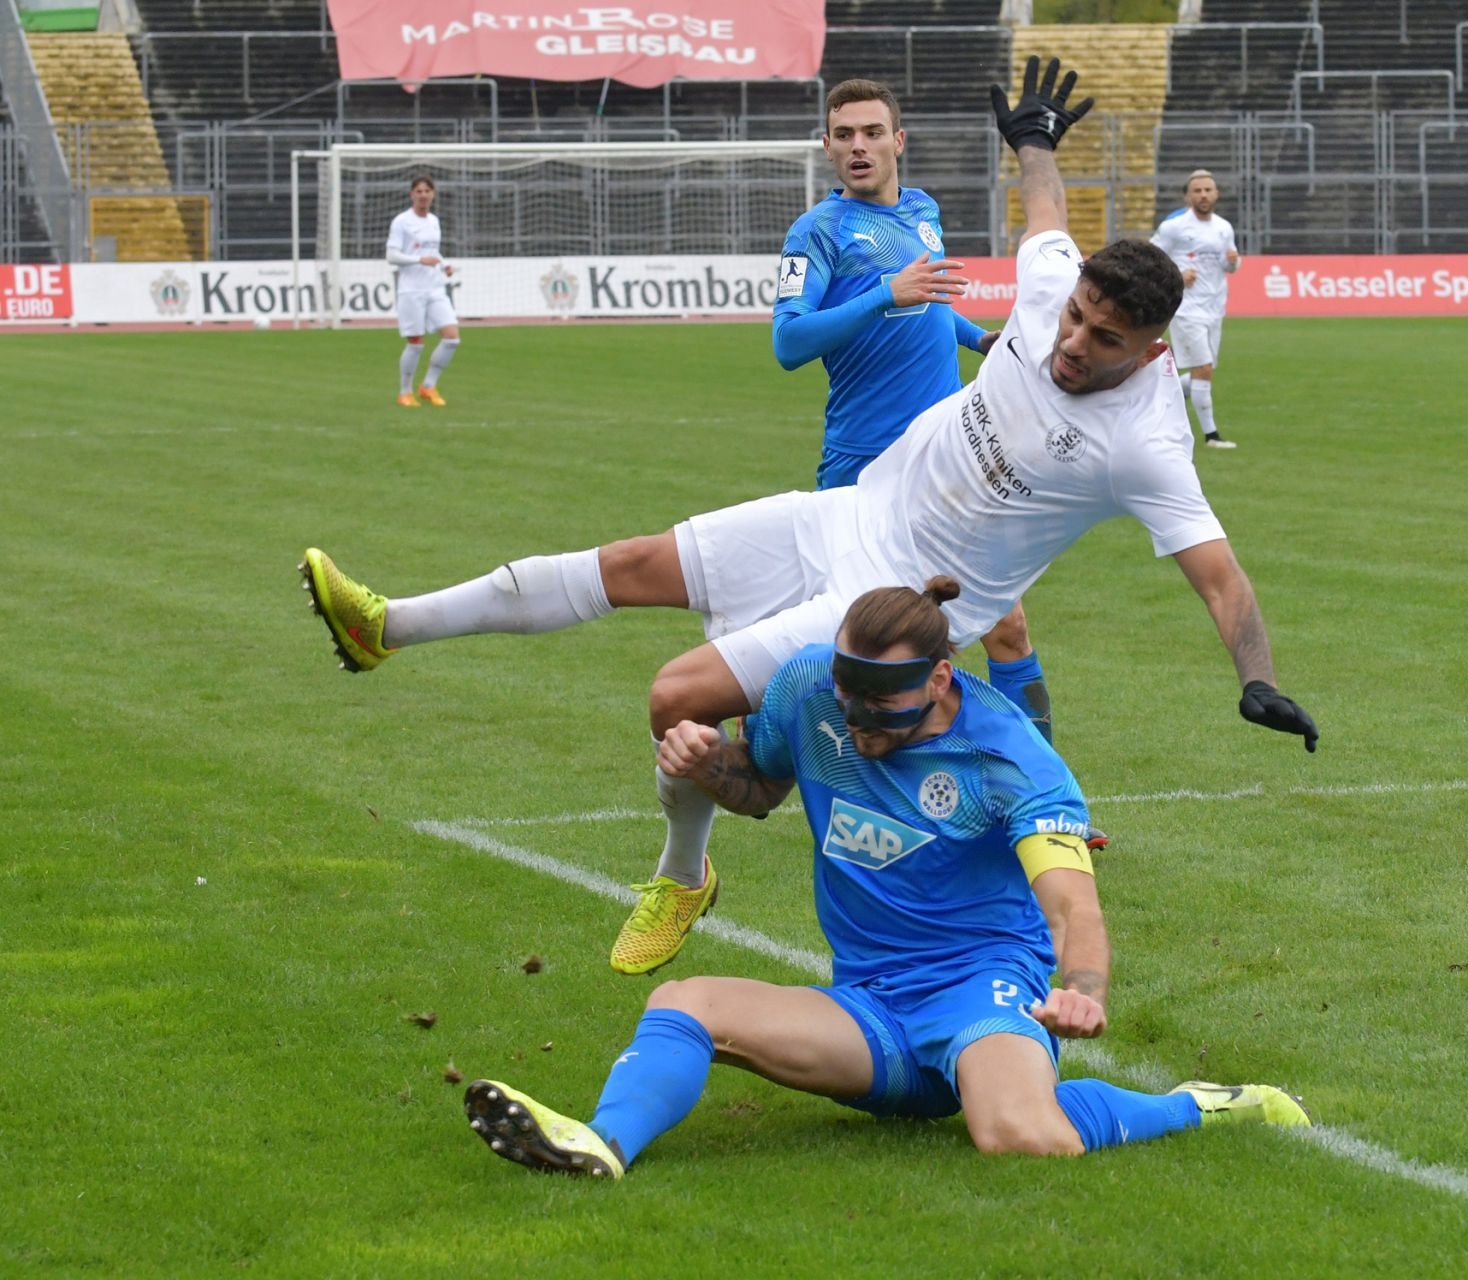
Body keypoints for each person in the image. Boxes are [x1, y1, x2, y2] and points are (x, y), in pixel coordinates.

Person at [299, 55, 1318, 981]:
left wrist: (1257, 678)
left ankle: (683, 871)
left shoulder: (1147, 439)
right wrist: (1036, 139)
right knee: (627, 561)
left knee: (673, 696)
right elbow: (1045, 214)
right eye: (1074, 317)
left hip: (895, 601)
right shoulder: (1052, 283)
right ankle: (385, 627)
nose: (1072, 342)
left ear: (1149, 353)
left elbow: (1221, 576)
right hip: (845, 510)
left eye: (1102, 338)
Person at [461, 579, 1309, 1178]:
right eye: (848, 698)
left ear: (940, 679)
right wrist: (706, 760)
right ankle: (601, 1146)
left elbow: (1071, 905)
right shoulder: (806, 687)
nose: (858, 723)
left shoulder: (1014, 760)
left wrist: (1081, 987)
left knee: (1018, 1136)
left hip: (983, 994)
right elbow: (757, 791)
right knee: (683, 1004)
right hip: (868, 1011)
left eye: (882, 707)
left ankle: (1196, 1104)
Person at [774, 78, 1067, 770]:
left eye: (872, 132)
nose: (858, 146)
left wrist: (977, 339)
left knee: (1006, 623)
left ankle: (1038, 784)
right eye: (843, 135)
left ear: (898, 141)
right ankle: (757, 726)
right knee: (845, 635)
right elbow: (788, 343)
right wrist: (883, 293)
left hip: (947, 461)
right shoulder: (817, 231)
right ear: (826, 147)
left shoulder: (922, 209)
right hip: (863, 465)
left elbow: (927, 304)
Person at [1151, 170, 1239, 448]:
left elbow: (1228, 266)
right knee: (1203, 368)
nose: (1203, 195)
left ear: (1216, 194)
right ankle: (1211, 436)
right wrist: (1177, 275)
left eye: (1208, 190)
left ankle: (1156, 391)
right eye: (1197, 190)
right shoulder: (1174, 227)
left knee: (1206, 368)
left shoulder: (1224, 227)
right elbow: (1151, 259)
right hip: (1186, 309)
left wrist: (1234, 262)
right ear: (1188, 196)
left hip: (1214, 308)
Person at [387, 174, 460, 407]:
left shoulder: (434, 221)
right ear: (412, 195)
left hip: (435, 287)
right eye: (418, 191)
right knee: (416, 342)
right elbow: (392, 256)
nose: (423, 195)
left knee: (452, 338)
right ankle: (404, 392)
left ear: (433, 194)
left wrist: (443, 263)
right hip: (411, 290)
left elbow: (433, 251)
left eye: (427, 191)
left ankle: (428, 386)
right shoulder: (402, 221)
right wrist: (419, 260)